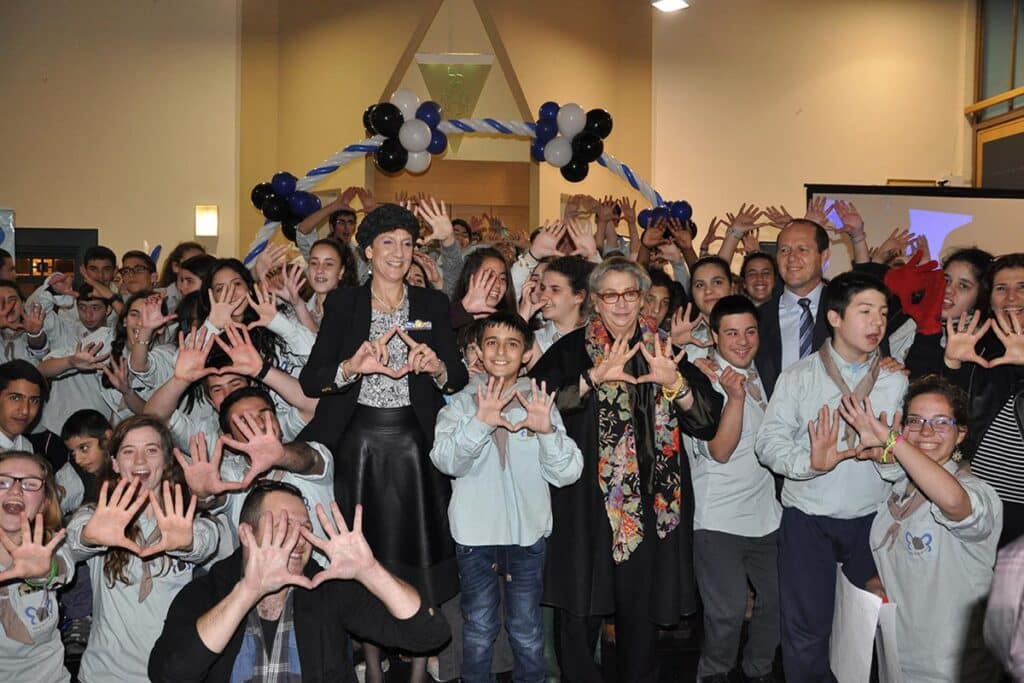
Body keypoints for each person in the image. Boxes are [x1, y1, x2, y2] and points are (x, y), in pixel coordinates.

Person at [529, 256, 722, 682]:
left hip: (652, 509)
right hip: (585, 507)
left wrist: (675, 384)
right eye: (610, 295)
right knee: (578, 619)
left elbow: (707, 421)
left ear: (642, 300)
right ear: (595, 301)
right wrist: (590, 380)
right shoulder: (570, 350)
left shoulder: (662, 349)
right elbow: (536, 408)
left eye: (629, 294)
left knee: (642, 619)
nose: (620, 305)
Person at [299, 203, 467, 683]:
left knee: (420, 557)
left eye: (407, 243)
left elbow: (454, 376)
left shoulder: (431, 305)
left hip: (417, 448)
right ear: (369, 250)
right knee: (363, 553)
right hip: (359, 447)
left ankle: (418, 668)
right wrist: (352, 367)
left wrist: (436, 368)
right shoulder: (345, 304)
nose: (398, 252)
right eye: (387, 242)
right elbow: (314, 380)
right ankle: (371, 665)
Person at [755, 271, 908, 682]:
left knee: (873, 624)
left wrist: (885, 456)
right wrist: (810, 463)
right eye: (865, 311)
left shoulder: (895, 381)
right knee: (806, 629)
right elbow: (767, 445)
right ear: (835, 318)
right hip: (808, 518)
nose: (877, 322)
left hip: (873, 520)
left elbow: (904, 464)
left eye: (882, 313)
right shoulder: (799, 377)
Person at [148, 482, 451, 682]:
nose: (296, 538)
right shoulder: (207, 592)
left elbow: (429, 635)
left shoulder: (326, 587)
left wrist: (370, 571)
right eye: (282, 526)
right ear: (246, 534)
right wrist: (248, 591)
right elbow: (168, 675)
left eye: (304, 528)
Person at [430, 312, 583, 682]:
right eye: (492, 343)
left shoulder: (540, 400)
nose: (501, 352)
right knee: (479, 631)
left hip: (528, 538)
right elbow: (446, 460)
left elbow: (568, 472)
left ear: (526, 352)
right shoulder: (460, 403)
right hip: (474, 538)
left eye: (513, 344)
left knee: (528, 632)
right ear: (479, 352)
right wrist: (480, 422)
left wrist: (546, 432)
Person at [839, 376, 1003, 682]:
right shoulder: (901, 488)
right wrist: (878, 584)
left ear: (961, 434)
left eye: (941, 422)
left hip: (953, 666)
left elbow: (954, 503)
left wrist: (895, 444)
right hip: (898, 655)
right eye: (915, 421)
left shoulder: (976, 492)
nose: (926, 431)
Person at [66, 415, 220, 682]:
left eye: (151, 450)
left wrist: (187, 543)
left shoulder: (189, 519)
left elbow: (205, 543)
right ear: (114, 462)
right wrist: (92, 538)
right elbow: (75, 543)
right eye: (128, 451)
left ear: (167, 460)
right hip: (103, 674)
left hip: (171, 672)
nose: (140, 461)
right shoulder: (94, 515)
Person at [683, 296, 780, 683]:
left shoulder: (765, 374)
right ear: (714, 336)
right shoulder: (700, 381)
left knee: (776, 601)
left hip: (767, 517)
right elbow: (720, 451)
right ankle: (713, 672)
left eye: (750, 331)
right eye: (731, 332)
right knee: (726, 611)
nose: (742, 341)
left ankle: (758, 669)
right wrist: (735, 398)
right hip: (718, 518)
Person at [941, 252, 1024, 547]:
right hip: (979, 501)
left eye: (1022, 287)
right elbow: (949, 412)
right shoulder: (977, 344)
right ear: (989, 299)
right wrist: (951, 364)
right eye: (1001, 288)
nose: (1012, 297)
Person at [0, 451, 73, 683]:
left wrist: (43, 572)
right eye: (2, 482)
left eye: (30, 484)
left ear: (44, 504)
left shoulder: (52, 544)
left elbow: (61, 569)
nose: (15, 490)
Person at [533, 255, 592, 354]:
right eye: (543, 288)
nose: (543, 296)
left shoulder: (599, 339)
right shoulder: (533, 340)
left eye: (555, 290)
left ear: (579, 296)